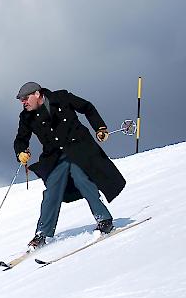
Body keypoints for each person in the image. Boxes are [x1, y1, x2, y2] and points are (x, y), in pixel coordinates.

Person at [13, 81, 126, 249]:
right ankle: (42, 234)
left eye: (25, 98)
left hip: (78, 148)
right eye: (21, 100)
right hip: (55, 157)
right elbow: (21, 138)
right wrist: (21, 151)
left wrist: (100, 128)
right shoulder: (26, 116)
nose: (24, 103)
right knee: (51, 190)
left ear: (37, 94)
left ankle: (104, 219)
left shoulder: (62, 98)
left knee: (82, 180)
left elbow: (87, 107)